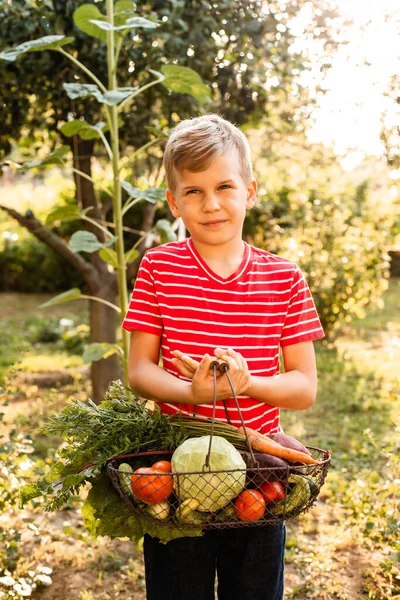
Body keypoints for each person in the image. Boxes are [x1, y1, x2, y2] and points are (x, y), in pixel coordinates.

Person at [122, 114, 324, 600]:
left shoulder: (284, 278)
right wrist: (189, 391)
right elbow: (139, 371)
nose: (211, 204)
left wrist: (248, 384)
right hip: (173, 466)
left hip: (259, 473)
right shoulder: (158, 268)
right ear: (173, 201)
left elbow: (304, 388)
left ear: (250, 191)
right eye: (193, 191)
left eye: (225, 187)